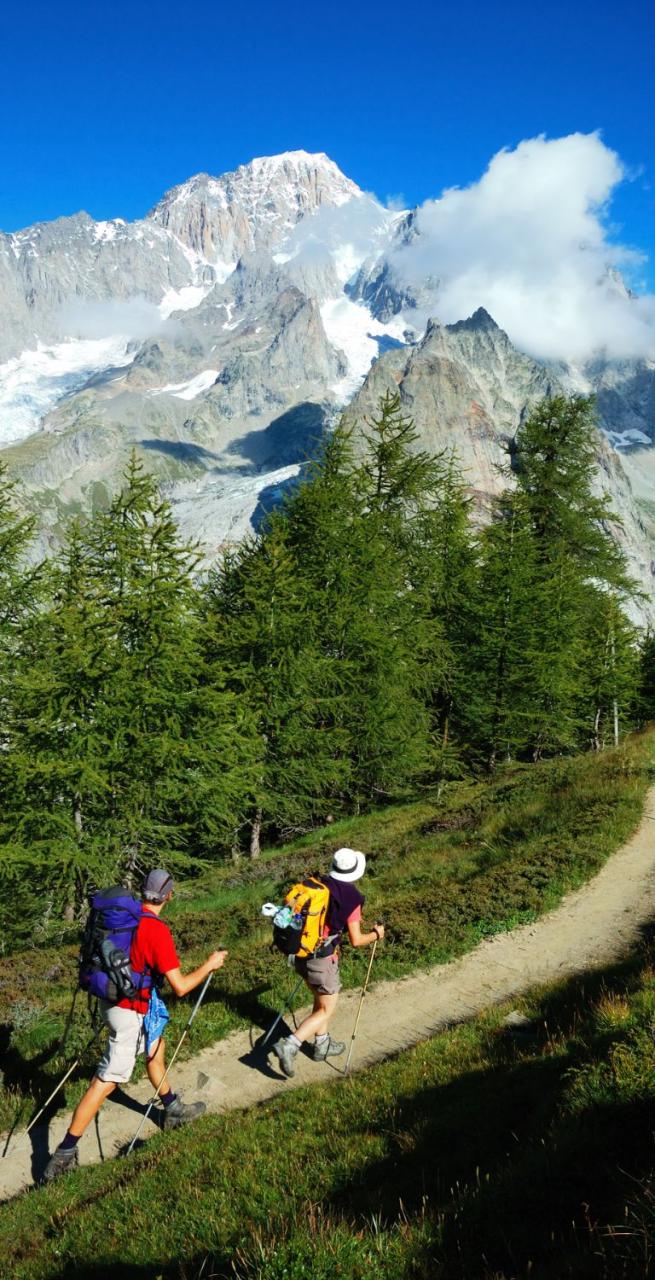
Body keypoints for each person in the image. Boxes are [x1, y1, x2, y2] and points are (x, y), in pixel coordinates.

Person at [42, 868, 227, 1181]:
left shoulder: (126, 918)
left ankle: (171, 1108)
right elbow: (181, 987)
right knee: (106, 1081)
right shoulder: (156, 930)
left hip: (112, 1002)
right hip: (130, 1012)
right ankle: (63, 1154)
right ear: (169, 895)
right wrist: (210, 965)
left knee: (155, 1045)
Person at [271, 847, 383, 1077]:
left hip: (302, 954)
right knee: (326, 1010)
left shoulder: (319, 884)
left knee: (320, 1001)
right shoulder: (352, 898)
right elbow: (356, 940)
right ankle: (290, 1045)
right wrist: (376, 934)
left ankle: (322, 1045)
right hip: (322, 961)